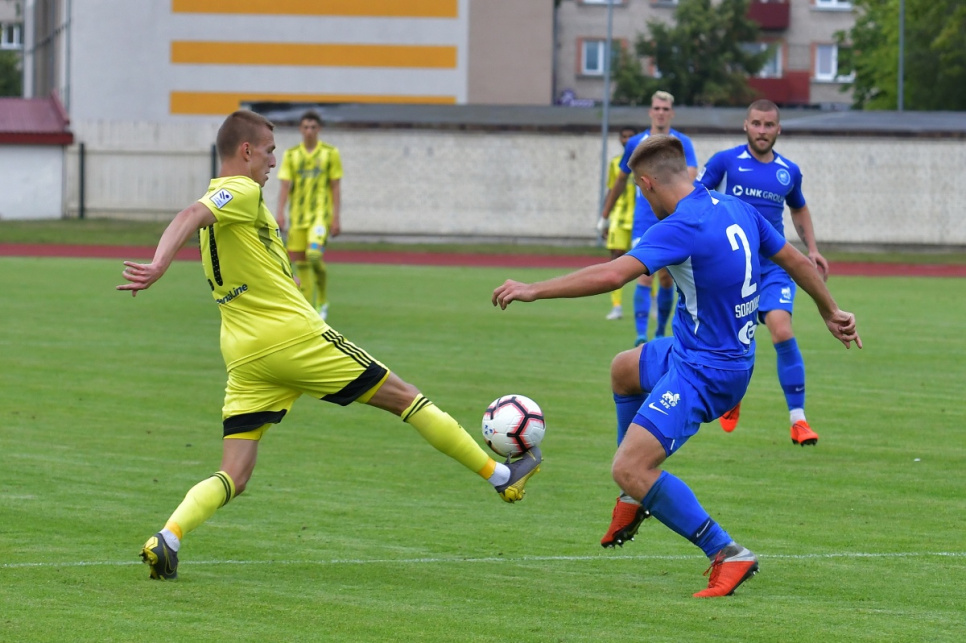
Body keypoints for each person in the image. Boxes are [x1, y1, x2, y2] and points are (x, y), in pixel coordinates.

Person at [118, 110, 542, 581]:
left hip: (244, 355)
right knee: (405, 398)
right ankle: (503, 477)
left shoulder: (231, 204)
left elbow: (241, 251)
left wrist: (285, 277)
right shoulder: (240, 190)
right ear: (246, 151)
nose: (274, 162)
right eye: (269, 151)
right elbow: (190, 214)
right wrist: (159, 265)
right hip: (292, 338)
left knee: (234, 473)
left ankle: (169, 538)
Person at [493, 135, 861, 597]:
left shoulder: (681, 226)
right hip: (705, 352)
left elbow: (613, 274)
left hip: (706, 371)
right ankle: (633, 497)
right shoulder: (737, 208)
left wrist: (533, 289)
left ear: (647, 184)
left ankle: (726, 551)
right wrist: (830, 310)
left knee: (629, 467)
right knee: (624, 369)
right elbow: (795, 260)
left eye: (640, 190)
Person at [696, 99, 829, 445]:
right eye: (756, 123)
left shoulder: (788, 171)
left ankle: (799, 421)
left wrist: (812, 249)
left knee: (782, 330)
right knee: (734, 342)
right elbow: (695, 198)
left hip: (773, 268)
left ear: (778, 129)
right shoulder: (724, 163)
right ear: (746, 125)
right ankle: (733, 396)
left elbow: (799, 208)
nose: (762, 130)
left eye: (769, 125)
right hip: (731, 267)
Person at [599, 91, 698, 346]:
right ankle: (641, 336)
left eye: (665, 108)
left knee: (666, 278)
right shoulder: (635, 143)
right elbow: (620, 180)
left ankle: (660, 331)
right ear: (650, 112)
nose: (661, 112)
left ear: (671, 113)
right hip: (643, 221)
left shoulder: (682, 143)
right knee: (645, 273)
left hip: (672, 220)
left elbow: (691, 176)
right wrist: (605, 215)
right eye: (657, 108)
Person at [276, 110, 342, 321]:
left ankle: (322, 299)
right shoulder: (291, 155)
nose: (309, 131)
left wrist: (336, 218)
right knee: (302, 264)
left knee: (314, 255)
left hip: (320, 217)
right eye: (306, 127)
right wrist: (280, 213)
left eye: (313, 127)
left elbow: (335, 186)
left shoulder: (330, 153)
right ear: (300, 129)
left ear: (319, 129)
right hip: (297, 218)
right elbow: (285, 186)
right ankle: (308, 311)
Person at [602, 126, 638, 321]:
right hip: (618, 217)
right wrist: (604, 218)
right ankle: (616, 306)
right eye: (624, 137)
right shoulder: (615, 163)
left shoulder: (643, 162)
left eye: (631, 136)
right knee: (615, 259)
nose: (627, 140)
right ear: (619, 139)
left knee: (650, 262)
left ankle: (652, 303)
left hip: (640, 218)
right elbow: (611, 190)